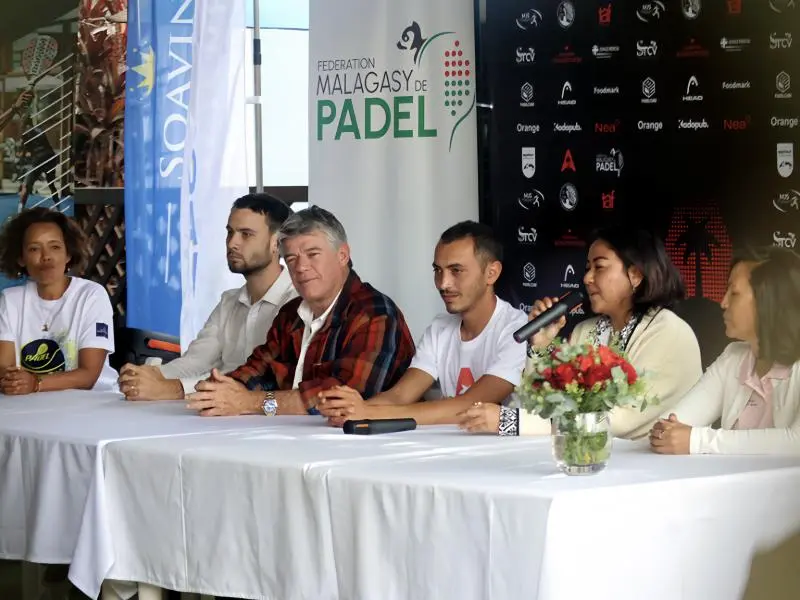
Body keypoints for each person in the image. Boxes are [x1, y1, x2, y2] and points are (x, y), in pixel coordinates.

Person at [459, 227, 703, 438]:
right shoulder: (585, 331)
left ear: (635, 275)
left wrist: (510, 421)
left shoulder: (668, 332)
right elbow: (539, 406)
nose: (587, 278)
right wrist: (540, 346)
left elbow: (618, 421)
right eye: (588, 268)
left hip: (653, 467)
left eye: (599, 267)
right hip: (585, 458)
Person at [185, 206, 415, 416]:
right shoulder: (290, 313)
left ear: (343, 255)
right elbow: (257, 370)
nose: (301, 267)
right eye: (291, 258)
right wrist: (223, 391)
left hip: (356, 443)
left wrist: (251, 403)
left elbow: (335, 399)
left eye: (313, 254)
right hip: (288, 437)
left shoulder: (374, 313)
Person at [317, 221, 528, 426]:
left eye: (456, 270)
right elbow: (400, 396)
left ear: (491, 273)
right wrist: (348, 410)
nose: (443, 283)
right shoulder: (439, 328)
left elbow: (469, 405)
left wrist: (368, 412)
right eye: (438, 270)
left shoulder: (519, 330)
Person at [118, 194, 297, 400]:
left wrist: (175, 388)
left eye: (246, 234)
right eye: (230, 232)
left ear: (276, 243)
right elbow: (196, 361)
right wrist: (150, 375)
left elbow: (261, 378)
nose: (232, 243)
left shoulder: (296, 302)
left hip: (268, 411)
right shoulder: (229, 302)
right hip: (218, 409)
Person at [650, 247, 800, 455]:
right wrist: (665, 432)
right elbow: (671, 424)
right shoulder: (734, 357)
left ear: (767, 300)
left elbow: (796, 442)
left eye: (734, 293)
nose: (723, 303)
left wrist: (698, 441)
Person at [0, 207, 117, 392]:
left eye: (55, 247)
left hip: (92, 402)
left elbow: (88, 376)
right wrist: (13, 381)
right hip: (28, 404)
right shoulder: (10, 300)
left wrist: (35, 383)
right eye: (34, 248)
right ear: (21, 258)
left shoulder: (91, 296)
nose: (46, 257)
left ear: (68, 254)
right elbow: (4, 369)